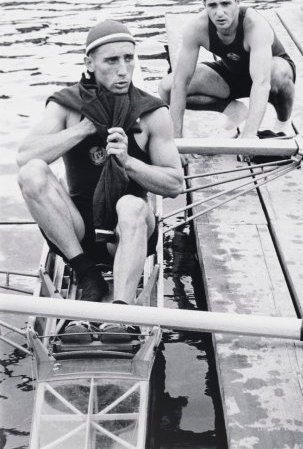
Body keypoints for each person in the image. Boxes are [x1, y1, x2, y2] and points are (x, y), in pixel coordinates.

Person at [17, 20, 183, 339]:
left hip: (127, 232)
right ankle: (86, 274)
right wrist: (83, 129)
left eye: (129, 58)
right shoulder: (66, 104)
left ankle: (120, 310)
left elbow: (176, 185)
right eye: (112, 60)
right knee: (32, 172)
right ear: (89, 64)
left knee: (131, 204)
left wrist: (129, 162)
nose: (124, 69)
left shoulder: (151, 113)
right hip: (77, 231)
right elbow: (25, 156)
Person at [159, 0, 296, 161]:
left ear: (237, 2)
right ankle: (234, 112)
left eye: (225, 4)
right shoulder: (196, 27)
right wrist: (176, 140)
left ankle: (282, 125)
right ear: (204, 6)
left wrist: (249, 136)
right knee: (167, 88)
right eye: (212, 5)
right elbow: (180, 83)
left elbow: (261, 82)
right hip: (232, 74)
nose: (219, 12)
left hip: (268, 76)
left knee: (277, 73)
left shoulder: (255, 26)